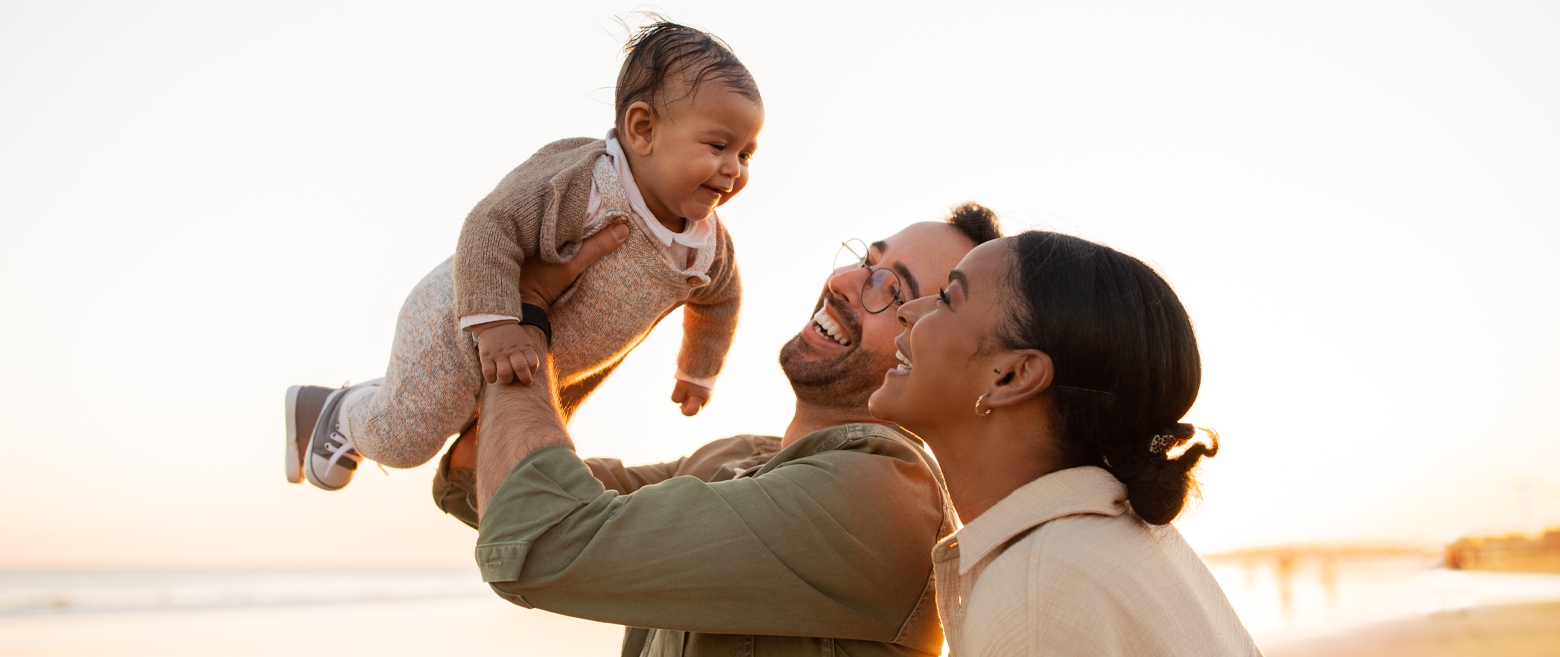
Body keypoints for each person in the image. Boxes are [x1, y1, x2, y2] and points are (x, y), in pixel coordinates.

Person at [433, 207, 1002, 656]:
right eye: (866, 260)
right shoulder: (736, 458)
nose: (843, 280)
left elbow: (535, 534)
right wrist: (580, 325)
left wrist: (521, 316)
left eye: (891, 289)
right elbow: (478, 475)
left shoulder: (882, 496)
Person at [282, 21, 762, 491]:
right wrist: (494, 326)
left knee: (497, 445)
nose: (733, 170)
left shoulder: (707, 247)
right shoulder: (588, 181)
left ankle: (378, 402)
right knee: (406, 439)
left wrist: (698, 369)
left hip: (550, 361)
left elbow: (720, 300)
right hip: (462, 320)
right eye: (719, 146)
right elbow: (491, 226)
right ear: (642, 130)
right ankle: (338, 409)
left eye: (745, 155)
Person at [868, 231, 1261, 655]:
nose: (907, 311)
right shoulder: (1131, 541)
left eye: (947, 299)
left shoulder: (1031, 590)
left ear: (1013, 376)